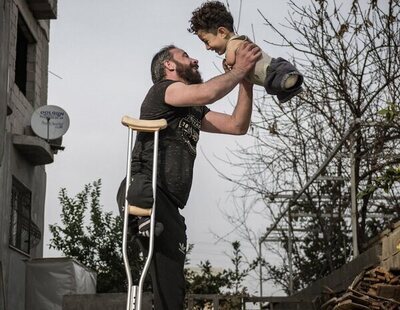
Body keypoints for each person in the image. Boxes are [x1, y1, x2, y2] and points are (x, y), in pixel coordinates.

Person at [117, 42, 261, 309]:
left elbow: (237, 125)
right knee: (143, 205)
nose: (194, 60)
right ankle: (139, 220)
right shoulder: (164, 90)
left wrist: (247, 82)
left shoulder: (194, 109)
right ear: (168, 65)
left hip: (170, 204)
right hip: (147, 186)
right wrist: (239, 68)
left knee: (172, 289)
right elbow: (207, 92)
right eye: (185, 56)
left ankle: (147, 227)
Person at [188, 0, 304, 104]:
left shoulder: (233, 43)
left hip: (271, 70)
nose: (207, 47)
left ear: (222, 32)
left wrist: (228, 68)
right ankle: (290, 85)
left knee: (276, 76)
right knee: (277, 83)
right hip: (269, 75)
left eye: (206, 41)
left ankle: (289, 80)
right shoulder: (240, 42)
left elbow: (230, 60)